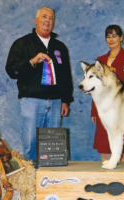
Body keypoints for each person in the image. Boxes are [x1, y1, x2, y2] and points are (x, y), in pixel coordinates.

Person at [5, 7, 74, 162]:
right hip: (31, 100)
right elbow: (11, 71)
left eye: (51, 18)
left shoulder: (60, 47)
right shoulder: (22, 44)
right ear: (36, 20)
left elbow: (65, 76)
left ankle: (50, 181)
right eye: (44, 17)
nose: (47, 21)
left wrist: (65, 100)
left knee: (52, 147)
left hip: (56, 102)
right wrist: (32, 62)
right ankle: (30, 180)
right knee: (30, 143)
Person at [91, 25, 124, 161]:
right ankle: (107, 178)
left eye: (114, 36)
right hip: (104, 107)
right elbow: (95, 86)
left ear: (121, 38)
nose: (111, 39)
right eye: (108, 36)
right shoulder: (100, 60)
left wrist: (114, 72)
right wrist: (94, 111)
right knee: (105, 144)